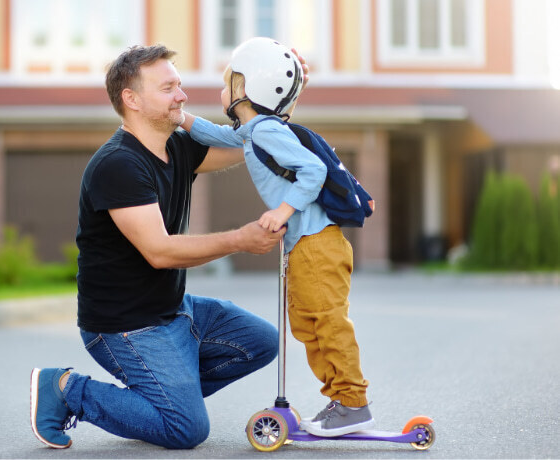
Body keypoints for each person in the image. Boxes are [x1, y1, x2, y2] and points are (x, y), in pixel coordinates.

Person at [29, 44, 303, 450]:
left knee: (261, 341)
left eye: (180, 84)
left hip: (174, 311)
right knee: (185, 430)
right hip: (124, 327)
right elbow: (159, 251)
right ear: (132, 99)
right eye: (169, 87)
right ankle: (67, 389)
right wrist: (240, 240)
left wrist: (285, 94)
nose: (182, 95)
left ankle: (159, 400)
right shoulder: (118, 164)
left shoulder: (177, 145)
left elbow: (253, 145)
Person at [181, 37, 374, 438]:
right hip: (305, 246)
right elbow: (217, 135)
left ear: (249, 89)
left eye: (229, 82)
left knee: (326, 321)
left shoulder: (267, 131)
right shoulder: (255, 131)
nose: (223, 91)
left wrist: (282, 210)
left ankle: (353, 402)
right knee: (307, 324)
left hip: (317, 243)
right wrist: (181, 120)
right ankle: (341, 401)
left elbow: (312, 171)